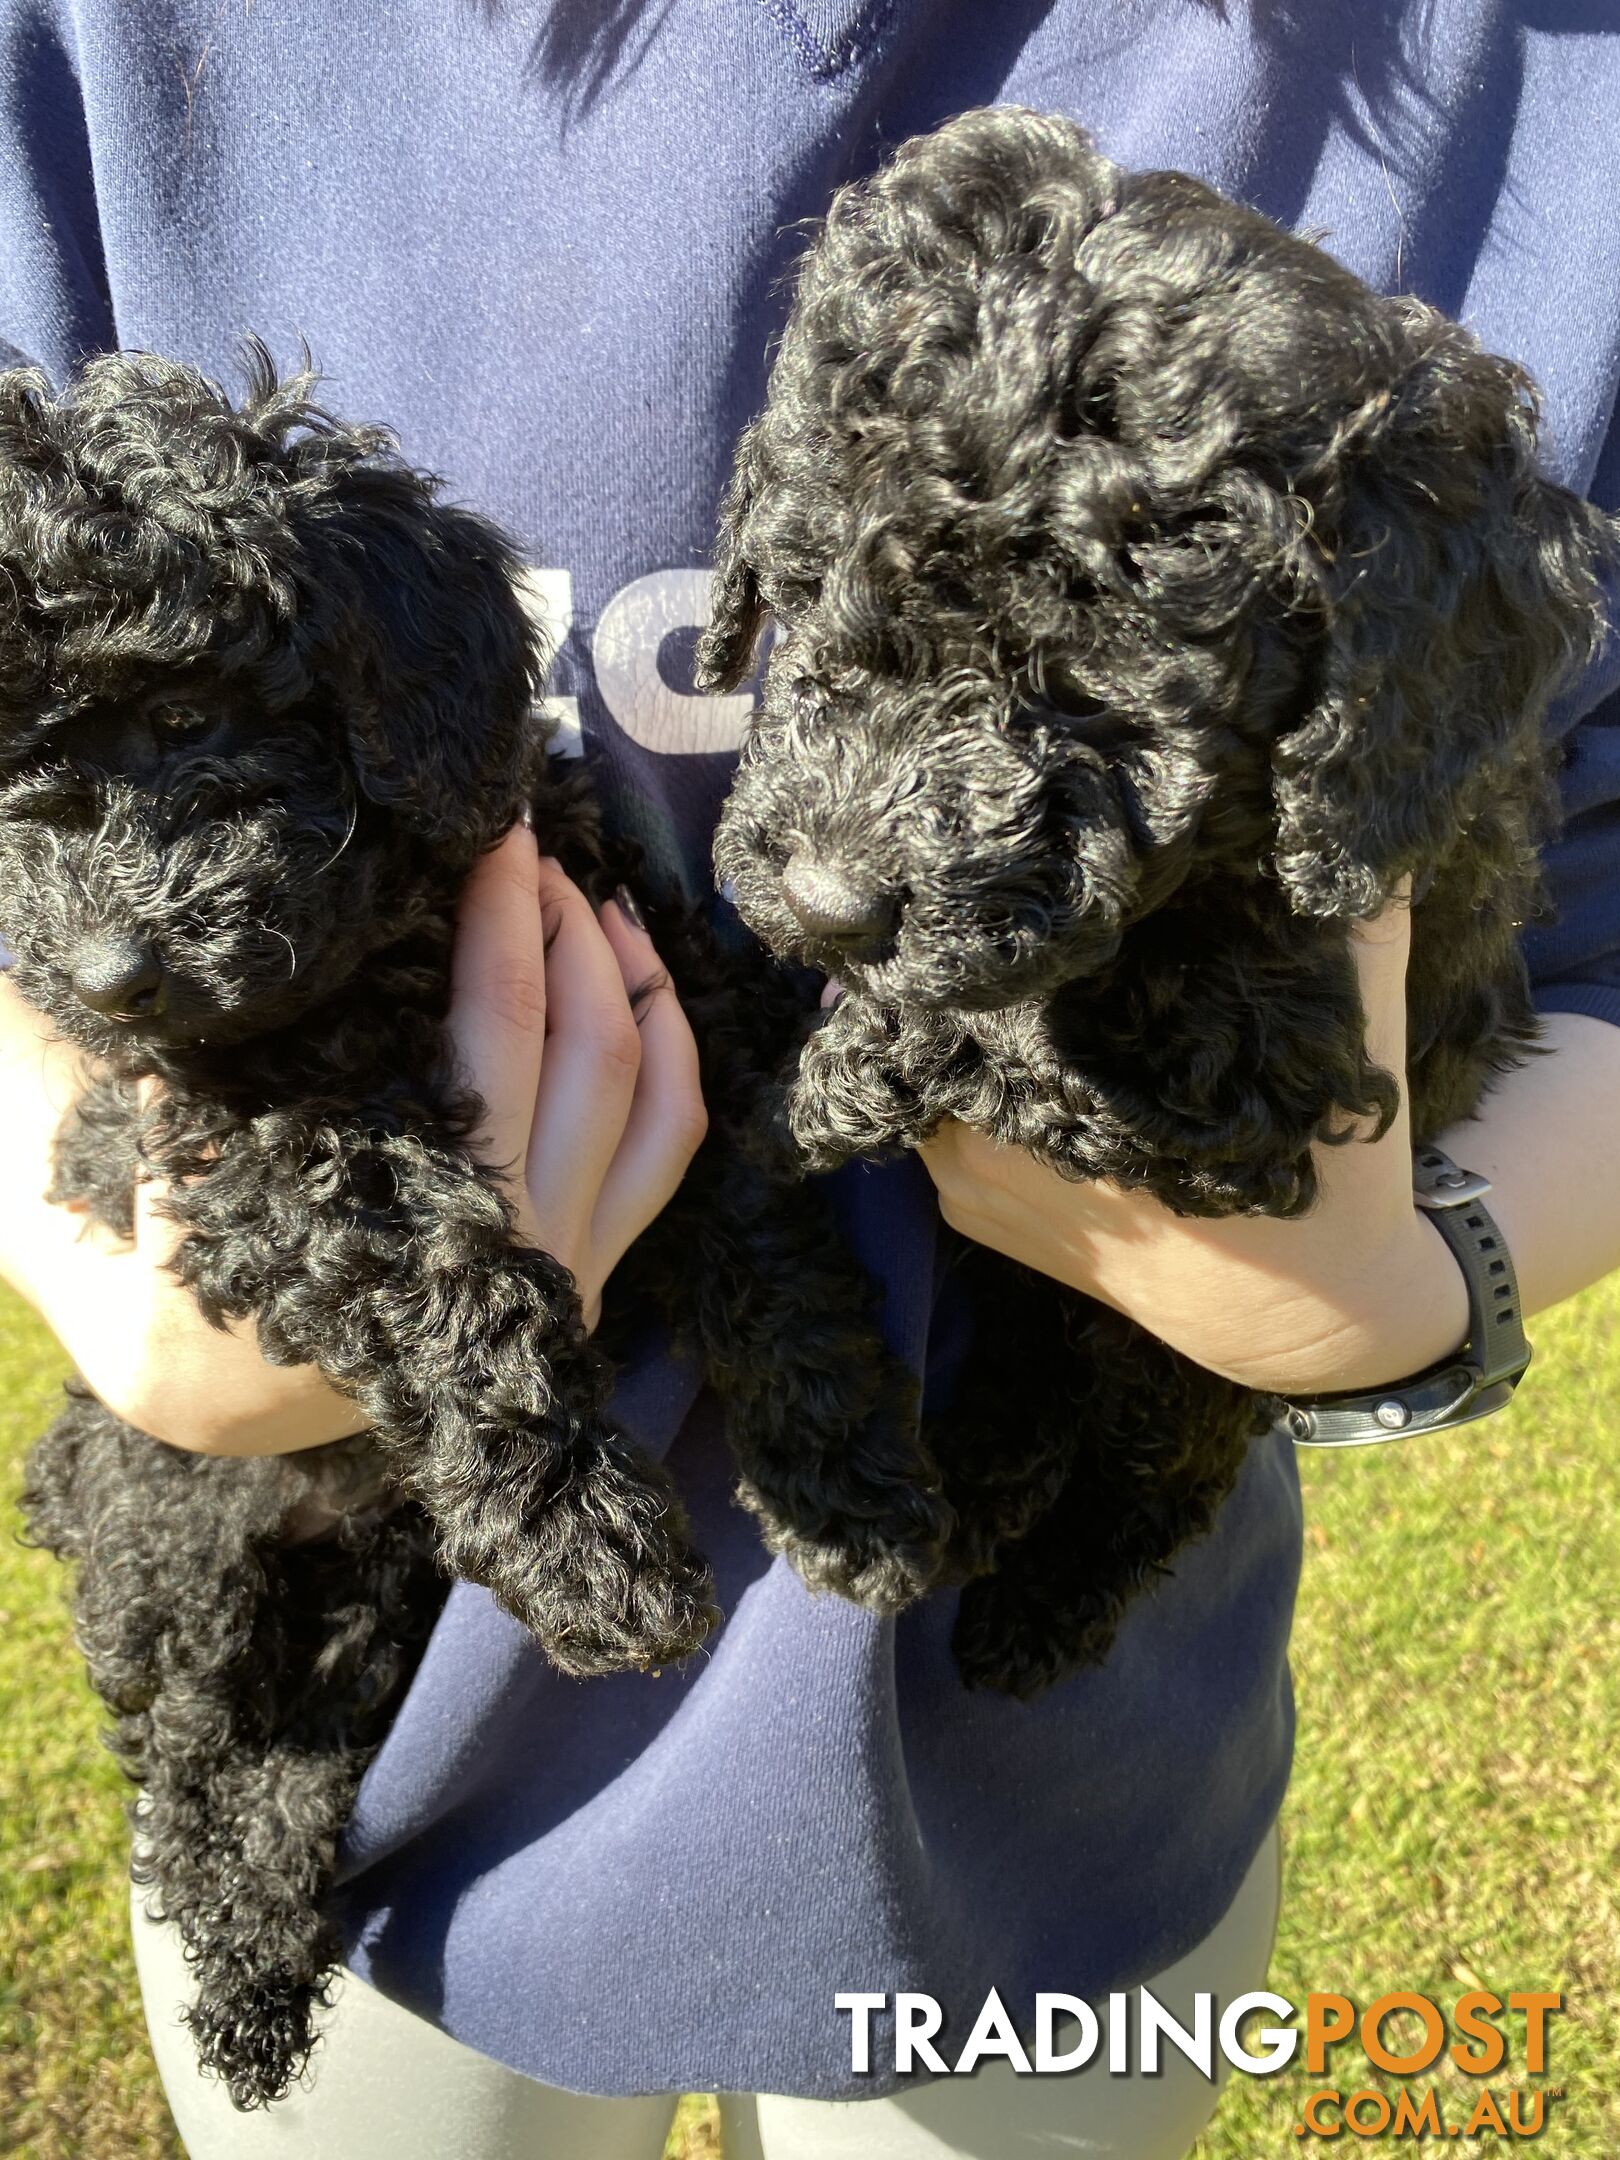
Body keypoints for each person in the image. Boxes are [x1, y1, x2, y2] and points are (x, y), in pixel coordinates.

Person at [2, 4, 1617, 2155]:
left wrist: (1419, 1285)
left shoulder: (1546, 75)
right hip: (378, 1726)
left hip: (1045, 1831)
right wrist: (88, 1235)